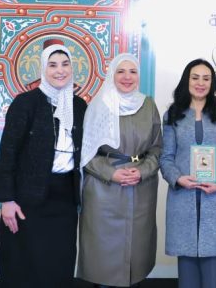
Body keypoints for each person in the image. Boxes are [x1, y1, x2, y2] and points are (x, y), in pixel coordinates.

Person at [0, 39, 87, 288]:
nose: (60, 70)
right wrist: (7, 200)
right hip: (28, 199)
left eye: (65, 64)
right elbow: (8, 153)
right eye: (53, 65)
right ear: (43, 69)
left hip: (65, 199)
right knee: (25, 267)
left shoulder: (79, 106)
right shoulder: (26, 103)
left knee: (59, 265)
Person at [78, 53, 163, 288]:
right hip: (103, 190)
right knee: (104, 259)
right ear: (111, 75)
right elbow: (85, 152)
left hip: (141, 189)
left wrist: (143, 171)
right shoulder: (99, 105)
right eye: (121, 71)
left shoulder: (148, 105)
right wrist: (111, 173)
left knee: (137, 257)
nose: (127, 77)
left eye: (133, 71)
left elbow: (157, 148)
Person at [160, 58, 216, 288]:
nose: (200, 83)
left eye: (206, 79)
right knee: (187, 277)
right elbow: (165, 157)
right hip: (183, 199)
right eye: (195, 78)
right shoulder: (173, 114)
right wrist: (178, 178)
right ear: (186, 81)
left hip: (215, 199)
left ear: (212, 83)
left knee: (211, 278)